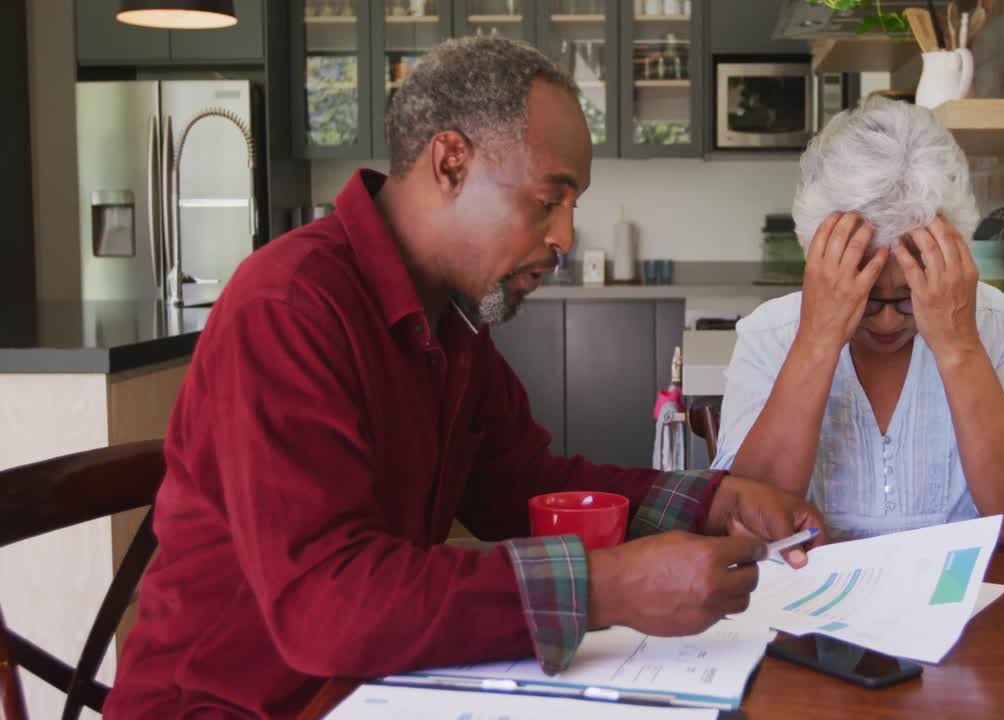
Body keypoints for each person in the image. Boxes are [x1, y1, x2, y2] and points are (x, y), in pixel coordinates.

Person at [105, 37, 824, 719]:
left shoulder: (449, 321)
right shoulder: (290, 306)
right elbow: (326, 603)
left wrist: (713, 502)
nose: (564, 238)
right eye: (548, 199)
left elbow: (521, 485)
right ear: (450, 162)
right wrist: (610, 587)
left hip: (369, 689)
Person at [711, 97, 1004, 549]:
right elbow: (749, 524)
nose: (886, 321)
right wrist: (817, 343)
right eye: (863, 297)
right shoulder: (768, 333)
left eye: (909, 297)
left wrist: (960, 347)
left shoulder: (1000, 324)